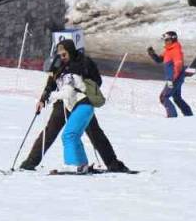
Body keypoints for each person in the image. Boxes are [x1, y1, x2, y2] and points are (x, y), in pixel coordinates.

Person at [21, 40, 130, 172]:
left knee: (95, 133)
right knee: (50, 131)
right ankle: (30, 163)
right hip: (63, 102)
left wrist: (84, 87)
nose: (62, 57)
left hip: (81, 101)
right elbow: (50, 84)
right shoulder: (58, 64)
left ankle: (114, 164)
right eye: (60, 54)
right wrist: (43, 99)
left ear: (71, 51)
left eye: (64, 54)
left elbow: (97, 81)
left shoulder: (84, 62)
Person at [44, 39, 100, 174]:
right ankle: (82, 164)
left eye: (52, 71)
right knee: (74, 135)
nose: (51, 74)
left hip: (83, 105)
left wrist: (51, 97)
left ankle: (72, 164)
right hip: (82, 107)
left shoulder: (69, 74)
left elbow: (68, 93)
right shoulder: (63, 73)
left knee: (68, 135)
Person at [148, 31, 194, 118]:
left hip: (174, 79)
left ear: (173, 39)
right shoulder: (168, 50)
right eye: (165, 40)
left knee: (163, 97)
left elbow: (178, 65)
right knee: (177, 98)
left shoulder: (176, 50)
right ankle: (189, 116)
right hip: (176, 78)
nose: (165, 42)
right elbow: (159, 60)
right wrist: (152, 54)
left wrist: (172, 79)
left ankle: (172, 117)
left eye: (167, 40)